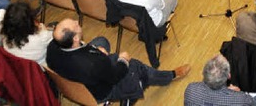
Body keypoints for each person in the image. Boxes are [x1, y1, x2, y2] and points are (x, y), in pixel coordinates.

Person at [46, 18, 191, 103]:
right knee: (136, 66)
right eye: (76, 25)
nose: (78, 22)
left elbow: (85, 57)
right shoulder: (94, 65)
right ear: (76, 39)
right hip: (102, 90)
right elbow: (115, 76)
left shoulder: (53, 47)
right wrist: (123, 59)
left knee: (101, 40)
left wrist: (94, 49)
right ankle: (170, 75)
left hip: (76, 75)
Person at [184, 54, 256, 106]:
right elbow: (251, 103)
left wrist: (229, 93)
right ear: (229, 76)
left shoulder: (191, 89)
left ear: (204, 72)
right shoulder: (239, 99)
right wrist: (237, 94)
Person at [1, 1, 53, 66]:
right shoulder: (42, 37)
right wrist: (44, 29)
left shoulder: (5, 37)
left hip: (17, 68)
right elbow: (56, 36)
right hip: (39, 70)